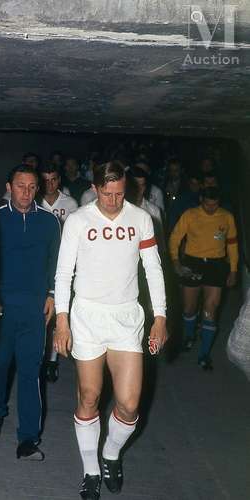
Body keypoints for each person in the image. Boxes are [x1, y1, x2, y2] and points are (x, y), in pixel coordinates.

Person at [54, 161, 167, 499]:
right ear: (95, 187)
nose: (114, 200)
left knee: (130, 404)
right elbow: (64, 273)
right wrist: (62, 320)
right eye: (107, 194)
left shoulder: (141, 218)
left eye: (120, 194)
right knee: (89, 396)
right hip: (87, 316)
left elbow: (153, 268)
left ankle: (111, 454)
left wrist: (159, 317)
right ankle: (91, 469)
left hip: (126, 319)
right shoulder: (78, 220)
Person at [0, 164, 61, 460]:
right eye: (20, 186)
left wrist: (53, 294)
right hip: (1, 305)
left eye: (31, 187)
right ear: (8, 187)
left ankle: (28, 437)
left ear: (37, 189)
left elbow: (57, 263)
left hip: (35, 308)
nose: (26, 193)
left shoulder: (50, 222)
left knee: (31, 372)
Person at [169, 187, 238, 370]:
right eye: (208, 204)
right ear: (201, 200)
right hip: (193, 264)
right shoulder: (190, 215)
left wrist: (233, 269)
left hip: (216, 266)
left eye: (215, 205)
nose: (211, 208)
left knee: (211, 309)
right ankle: (190, 335)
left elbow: (232, 244)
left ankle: (204, 353)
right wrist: (175, 261)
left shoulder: (226, 217)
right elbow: (175, 238)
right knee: (189, 308)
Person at [39, 163, 78, 382]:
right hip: (40, 262)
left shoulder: (70, 203)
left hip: (63, 263)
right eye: (45, 180)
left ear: (59, 181)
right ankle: (39, 355)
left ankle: (52, 359)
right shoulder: (35, 201)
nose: (49, 184)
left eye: (53, 179)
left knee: (58, 311)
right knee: (41, 311)